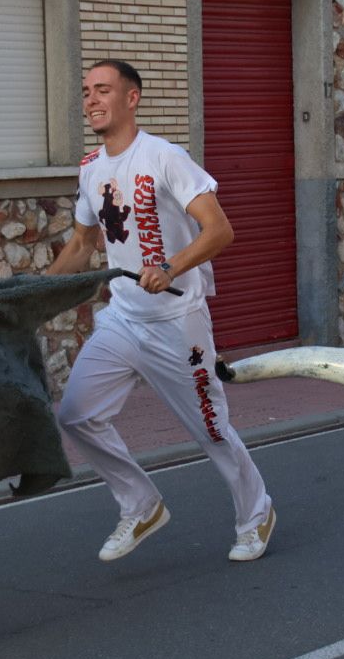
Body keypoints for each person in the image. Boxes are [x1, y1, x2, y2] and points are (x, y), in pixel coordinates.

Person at [46, 60, 277, 563]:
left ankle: (256, 513)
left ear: (132, 99)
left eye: (102, 90)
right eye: (86, 92)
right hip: (123, 321)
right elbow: (84, 243)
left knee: (211, 428)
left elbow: (220, 230)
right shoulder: (90, 168)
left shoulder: (165, 157)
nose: (91, 100)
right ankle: (141, 504)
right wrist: (34, 292)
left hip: (178, 323)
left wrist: (170, 267)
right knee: (77, 414)